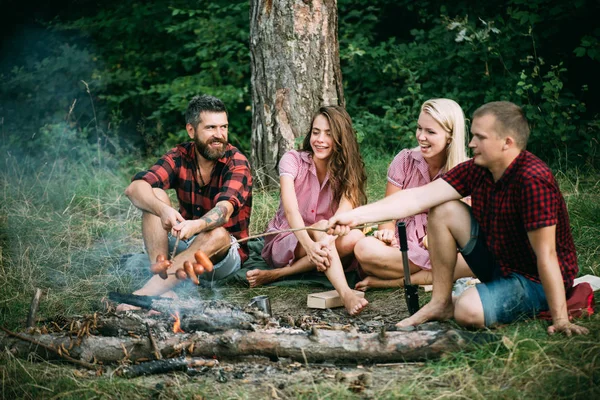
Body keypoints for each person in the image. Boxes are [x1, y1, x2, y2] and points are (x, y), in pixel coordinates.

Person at [328, 101, 589, 336]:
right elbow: (415, 199)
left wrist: (560, 319)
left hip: (533, 279)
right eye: (472, 135)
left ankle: (464, 303)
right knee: (444, 209)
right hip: (499, 263)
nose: (472, 143)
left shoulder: (532, 180)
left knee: (467, 311)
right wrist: (354, 216)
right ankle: (440, 302)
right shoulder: (477, 169)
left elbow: (547, 255)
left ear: (506, 143)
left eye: (480, 137)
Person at [119, 95, 252, 310]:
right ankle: (164, 282)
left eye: (224, 127)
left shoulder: (237, 162)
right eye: (211, 128)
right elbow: (134, 189)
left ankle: (146, 294)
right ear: (191, 130)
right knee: (155, 195)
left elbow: (224, 211)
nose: (219, 135)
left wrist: (196, 225)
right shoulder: (180, 155)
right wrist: (162, 210)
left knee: (216, 232)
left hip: (223, 256)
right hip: (187, 242)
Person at [246, 105, 369, 315]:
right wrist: (310, 245)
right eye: (316, 132)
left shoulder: (349, 170)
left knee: (354, 237)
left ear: (341, 138)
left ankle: (280, 274)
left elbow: (340, 218)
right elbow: (291, 211)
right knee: (322, 227)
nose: (320, 139)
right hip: (287, 238)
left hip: (325, 241)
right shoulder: (292, 160)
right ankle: (346, 293)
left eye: (328, 134)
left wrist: (320, 244)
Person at [353, 99, 473, 291]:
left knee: (472, 260)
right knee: (363, 248)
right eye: (419, 128)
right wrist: (387, 231)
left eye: (431, 132)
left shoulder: (465, 170)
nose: (421, 137)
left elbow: (465, 228)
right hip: (402, 243)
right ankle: (434, 273)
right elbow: (388, 214)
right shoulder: (405, 160)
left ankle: (391, 280)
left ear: (450, 136)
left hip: (439, 247)